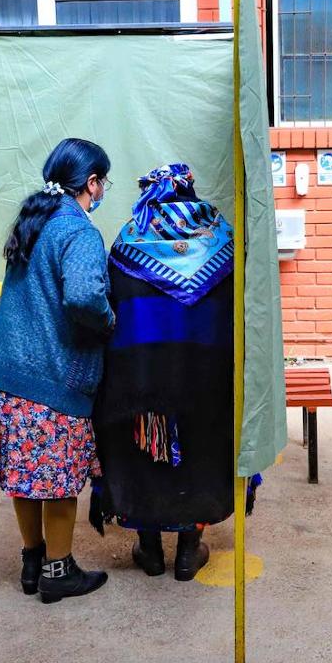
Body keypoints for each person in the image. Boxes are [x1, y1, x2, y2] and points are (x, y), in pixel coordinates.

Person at [90, 163, 251, 582]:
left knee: (142, 454)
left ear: (150, 197)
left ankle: (149, 549)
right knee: (201, 452)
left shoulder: (127, 242)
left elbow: (112, 309)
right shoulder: (224, 241)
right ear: (191, 193)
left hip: (138, 382)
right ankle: (187, 551)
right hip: (207, 379)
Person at [0, 137, 115, 603]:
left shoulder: (34, 220)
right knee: (57, 481)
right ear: (91, 183)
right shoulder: (79, 232)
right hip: (49, 379)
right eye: (102, 182)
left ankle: (32, 560)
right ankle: (59, 572)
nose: (103, 190)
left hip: (6, 371)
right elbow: (85, 298)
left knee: (25, 474)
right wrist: (110, 321)